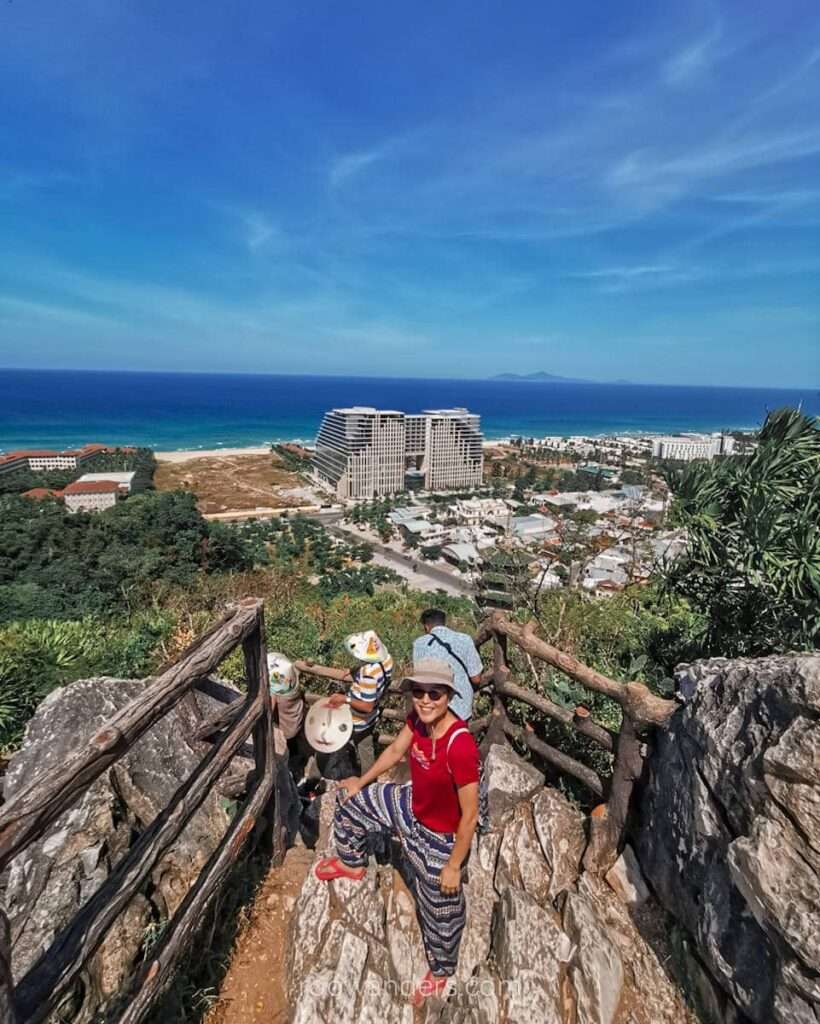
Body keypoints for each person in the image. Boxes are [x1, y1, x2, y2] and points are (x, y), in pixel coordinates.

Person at [314, 659, 480, 1006]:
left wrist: (453, 865)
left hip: (441, 836)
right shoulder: (418, 721)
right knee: (353, 806)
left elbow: (469, 816)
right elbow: (393, 751)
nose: (425, 699)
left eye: (434, 693)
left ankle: (441, 968)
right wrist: (362, 780)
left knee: (440, 909)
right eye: (418, 692)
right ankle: (352, 862)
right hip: (409, 806)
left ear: (449, 695)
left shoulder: (459, 744)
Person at [322, 630, 393, 777]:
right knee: (366, 750)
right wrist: (355, 670)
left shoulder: (368, 674)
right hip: (371, 719)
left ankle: (319, 775)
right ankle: (369, 782)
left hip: (357, 719)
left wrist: (344, 699)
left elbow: (367, 706)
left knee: (332, 741)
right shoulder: (387, 660)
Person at [412, 609, 483, 722]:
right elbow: (476, 679)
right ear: (444, 623)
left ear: (426, 626)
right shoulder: (465, 639)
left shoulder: (419, 643)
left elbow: (419, 677)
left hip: (431, 707)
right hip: (460, 710)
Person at [267, 652, 309, 780]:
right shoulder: (293, 677)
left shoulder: (276, 694)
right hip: (297, 717)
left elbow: (269, 710)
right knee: (294, 743)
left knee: (288, 748)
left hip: (286, 728)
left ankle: (292, 766)